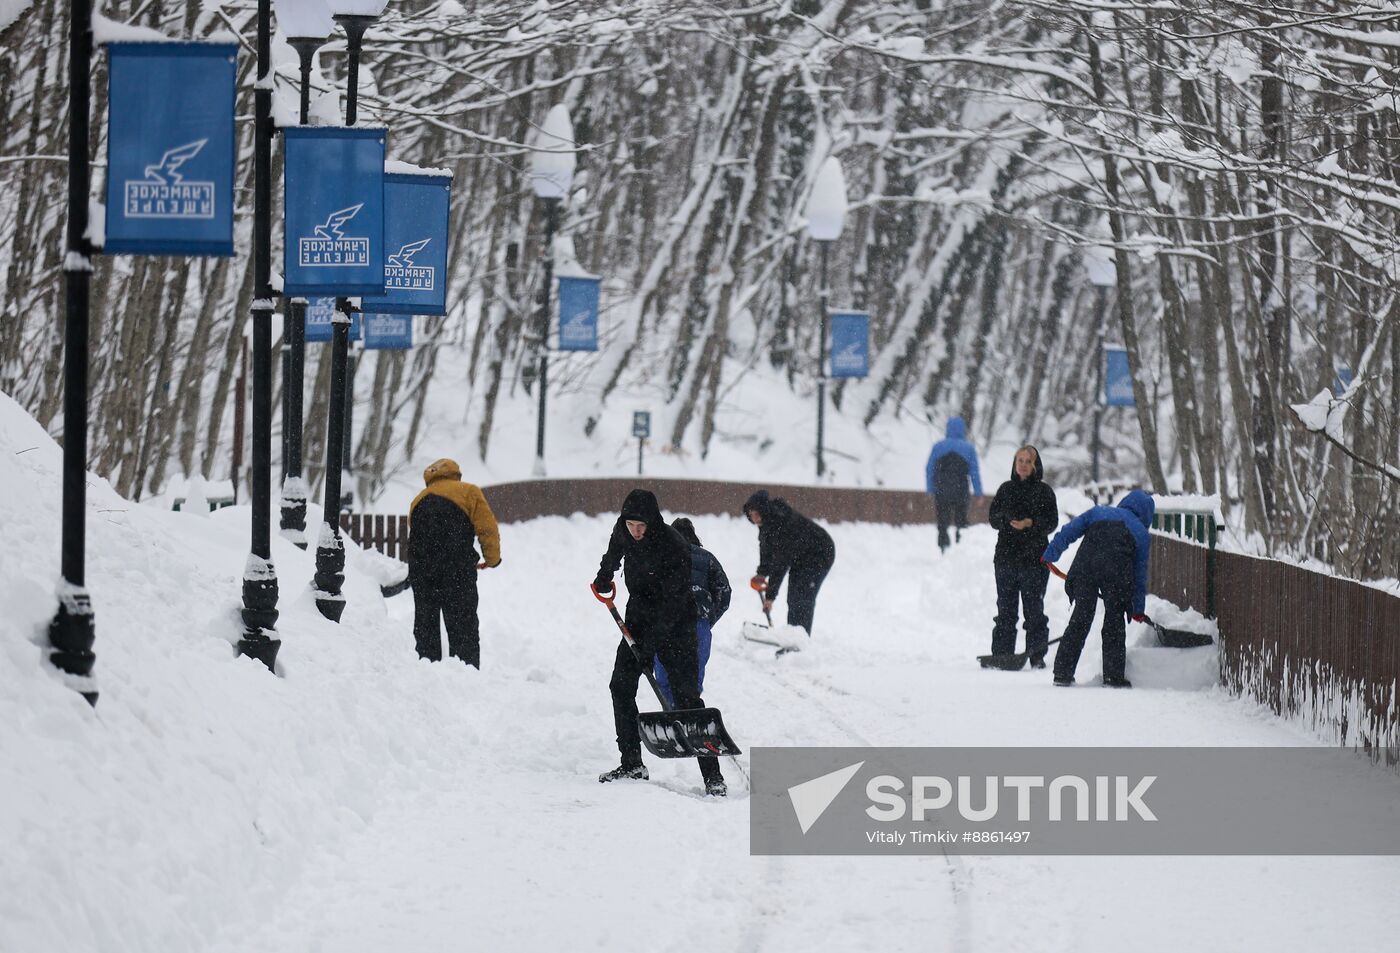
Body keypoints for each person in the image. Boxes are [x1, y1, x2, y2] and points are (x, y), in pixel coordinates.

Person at [593, 490, 726, 796]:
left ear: (652, 522)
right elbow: (615, 549)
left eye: (641, 526)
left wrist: (649, 648)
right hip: (638, 616)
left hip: (677, 624)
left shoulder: (673, 546)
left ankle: (713, 777)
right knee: (621, 685)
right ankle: (632, 763)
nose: (636, 532)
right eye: (631, 526)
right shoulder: (624, 529)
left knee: (686, 698)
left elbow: (673, 604)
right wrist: (605, 574)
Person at [1040, 489, 1155, 688]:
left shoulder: (1098, 512)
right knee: (1114, 622)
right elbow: (1139, 573)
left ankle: (1062, 673)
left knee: (1081, 618)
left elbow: (1069, 531)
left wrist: (1051, 553)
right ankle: (1112, 676)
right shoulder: (1141, 533)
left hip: (1085, 570)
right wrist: (1137, 609)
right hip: (1117, 578)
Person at [407, 458, 501, 667]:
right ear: (456, 475)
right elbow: (487, 528)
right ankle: (465, 670)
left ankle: (427, 668)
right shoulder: (468, 492)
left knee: (425, 622)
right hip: (456, 567)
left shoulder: (418, 499)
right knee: (462, 623)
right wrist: (492, 559)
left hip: (422, 569)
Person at [987, 446, 1058, 668]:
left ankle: (1036, 656)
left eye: (1028, 461)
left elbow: (1052, 522)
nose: (1023, 464)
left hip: (1034, 559)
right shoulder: (1005, 489)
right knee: (1005, 610)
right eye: (1020, 460)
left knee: (1034, 610)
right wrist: (1006, 520)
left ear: (1036, 465)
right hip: (1006, 558)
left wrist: (1031, 523)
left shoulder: (1045, 492)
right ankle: (1002, 654)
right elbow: (993, 518)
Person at [654, 517, 731, 706]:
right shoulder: (707, 558)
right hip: (698, 621)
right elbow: (724, 591)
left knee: (664, 676)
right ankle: (691, 717)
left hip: (665, 622)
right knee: (693, 677)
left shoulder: (660, 557)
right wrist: (709, 616)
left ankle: (671, 713)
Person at [742, 490, 835, 636]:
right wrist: (762, 573)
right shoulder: (766, 524)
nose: (754, 518)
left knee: (802, 598)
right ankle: (792, 637)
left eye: (757, 513)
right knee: (793, 598)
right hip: (800, 557)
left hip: (819, 554)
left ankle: (800, 640)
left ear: (764, 510)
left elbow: (780, 563)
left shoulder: (782, 522)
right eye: (751, 514)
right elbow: (767, 552)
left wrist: (770, 597)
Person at [925, 416, 983, 552]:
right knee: (961, 521)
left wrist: (930, 489)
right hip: (961, 491)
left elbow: (929, 469)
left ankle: (943, 546)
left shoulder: (938, 447)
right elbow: (974, 472)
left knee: (942, 522)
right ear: (963, 430)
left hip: (942, 490)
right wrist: (978, 493)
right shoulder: (968, 449)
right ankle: (960, 547)